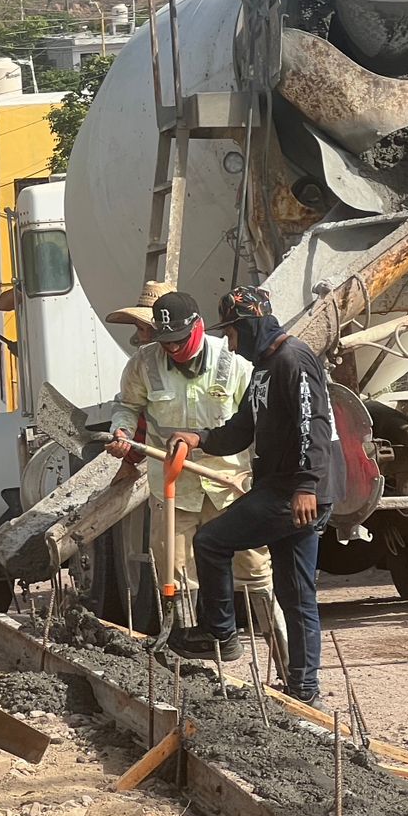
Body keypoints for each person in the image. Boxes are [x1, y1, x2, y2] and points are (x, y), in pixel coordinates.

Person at [168, 286, 345, 705]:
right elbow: (241, 429)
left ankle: (221, 633)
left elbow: (314, 425)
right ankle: (304, 689)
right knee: (296, 593)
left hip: (294, 493)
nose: (230, 342)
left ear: (251, 326)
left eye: (232, 333)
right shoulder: (265, 367)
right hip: (285, 490)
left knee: (211, 541)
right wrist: (198, 438)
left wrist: (306, 485)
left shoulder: (293, 359)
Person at [101, 287, 275, 633]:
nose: (173, 349)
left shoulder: (233, 361)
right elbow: (128, 406)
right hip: (174, 488)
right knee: (175, 571)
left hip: (229, 486)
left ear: (198, 326)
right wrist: (121, 433)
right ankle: (188, 649)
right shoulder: (143, 364)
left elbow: (259, 418)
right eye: (167, 342)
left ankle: (282, 651)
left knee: (254, 566)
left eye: (180, 340)